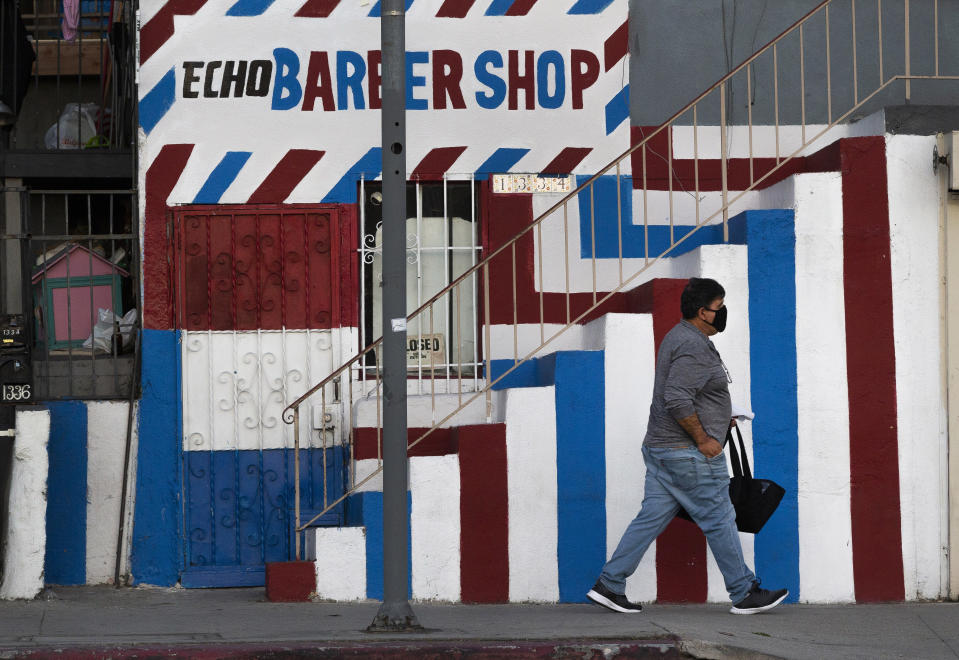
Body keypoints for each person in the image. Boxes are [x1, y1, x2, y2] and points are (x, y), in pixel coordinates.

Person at [586, 277, 788, 615]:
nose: (723, 313)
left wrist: (722, 417)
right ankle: (743, 592)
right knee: (720, 517)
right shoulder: (693, 345)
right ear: (702, 312)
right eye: (719, 308)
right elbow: (678, 398)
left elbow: (690, 393)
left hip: (663, 450)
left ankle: (610, 583)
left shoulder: (679, 336)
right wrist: (705, 439)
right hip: (687, 454)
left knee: (651, 517)